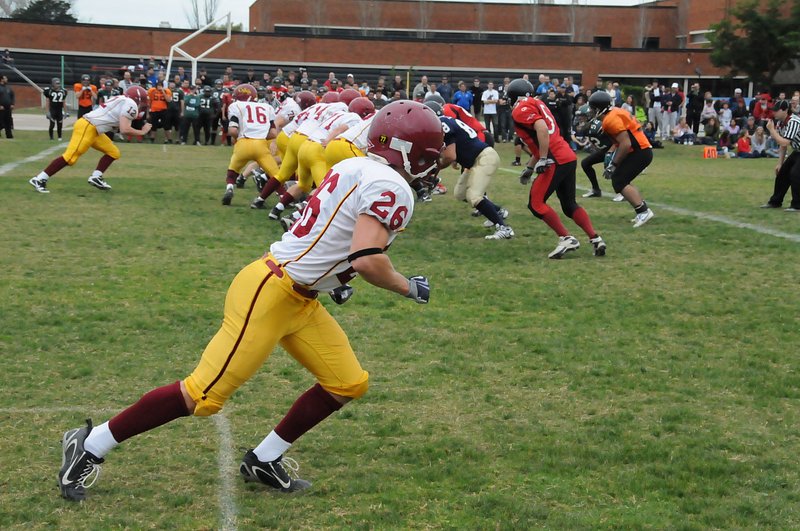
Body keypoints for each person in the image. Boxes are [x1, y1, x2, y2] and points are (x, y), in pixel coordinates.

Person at [56, 100, 442, 502]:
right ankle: (90, 443)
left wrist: (331, 276)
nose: (434, 165)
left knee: (347, 382)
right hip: (272, 293)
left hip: (299, 295)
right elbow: (367, 259)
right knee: (201, 396)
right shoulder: (390, 186)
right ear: (406, 150)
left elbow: (333, 235)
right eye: (430, 156)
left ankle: (264, 458)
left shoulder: (352, 166)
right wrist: (407, 287)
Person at [507, 79, 606, 259]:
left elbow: (542, 130)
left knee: (536, 204)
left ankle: (566, 237)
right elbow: (542, 138)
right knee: (569, 205)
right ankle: (596, 238)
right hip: (566, 155)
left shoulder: (521, 109)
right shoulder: (537, 103)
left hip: (555, 159)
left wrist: (544, 159)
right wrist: (530, 167)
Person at [28, 86, 151, 194]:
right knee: (70, 157)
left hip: (95, 128)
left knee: (113, 152)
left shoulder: (122, 99)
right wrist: (142, 132)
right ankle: (39, 179)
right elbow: (125, 129)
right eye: (143, 102)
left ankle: (96, 177)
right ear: (137, 99)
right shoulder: (131, 104)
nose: (143, 105)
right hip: (88, 126)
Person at [425, 100, 513, 240]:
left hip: (483, 158)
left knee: (474, 196)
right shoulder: (446, 121)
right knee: (460, 194)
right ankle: (498, 211)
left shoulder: (442, 123)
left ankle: (504, 228)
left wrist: (435, 169)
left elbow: (449, 156)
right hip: (474, 161)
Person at [588, 90, 655, 228]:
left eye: (592, 108)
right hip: (640, 149)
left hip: (639, 151)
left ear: (599, 108)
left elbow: (626, 143)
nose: (590, 110)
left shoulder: (610, 119)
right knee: (621, 180)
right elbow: (621, 140)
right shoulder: (615, 113)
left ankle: (643, 211)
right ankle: (642, 210)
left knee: (619, 180)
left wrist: (613, 164)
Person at [220, 84, 281, 206]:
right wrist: (261, 136)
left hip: (243, 143)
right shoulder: (266, 107)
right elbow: (274, 133)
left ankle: (230, 188)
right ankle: (283, 199)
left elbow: (232, 130)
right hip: (261, 145)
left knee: (233, 169)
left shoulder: (235, 106)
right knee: (275, 175)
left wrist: (238, 137)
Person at [761, 100, 800, 211]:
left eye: (776, 110)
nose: (774, 113)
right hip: (797, 150)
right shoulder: (781, 122)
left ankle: (797, 205)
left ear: (785, 110)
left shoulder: (794, 121)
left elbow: (784, 142)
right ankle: (775, 202)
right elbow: (782, 145)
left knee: (795, 174)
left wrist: (772, 131)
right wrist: (780, 164)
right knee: (782, 174)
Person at [0, 75, 14, 139]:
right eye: (5, 78)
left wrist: (12, 104)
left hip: (8, 108)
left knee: (8, 122)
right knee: (0, 122)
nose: (7, 79)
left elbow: (12, 96)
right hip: (1, 108)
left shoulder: (8, 88)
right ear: (1, 79)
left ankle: (9, 135)